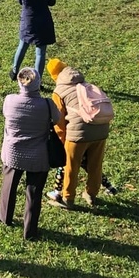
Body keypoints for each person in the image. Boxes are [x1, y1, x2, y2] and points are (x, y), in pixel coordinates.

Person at [0, 67, 60, 240]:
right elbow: (58, 119)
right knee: (34, 193)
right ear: (38, 83)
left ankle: (5, 217)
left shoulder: (9, 100)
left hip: (13, 153)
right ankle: (30, 231)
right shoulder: (47, 104)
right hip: (38, 155)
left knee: (8, 187)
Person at [48, 61, 112, 208]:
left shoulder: (59, 91)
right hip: (101, 129)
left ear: (54, 76)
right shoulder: (84, 84)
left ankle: (67, 199)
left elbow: (59, 121)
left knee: (71, 165)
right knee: (95, 164)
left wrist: (62, 141)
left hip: (78, 133)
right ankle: (91, 194)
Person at [11, 0, 56, 81]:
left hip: (27, 20)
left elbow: (20, 1)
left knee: (22, 45)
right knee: (40, 52)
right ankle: (38, 80)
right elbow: (52, 2)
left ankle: (15, 71)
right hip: (43, 21)